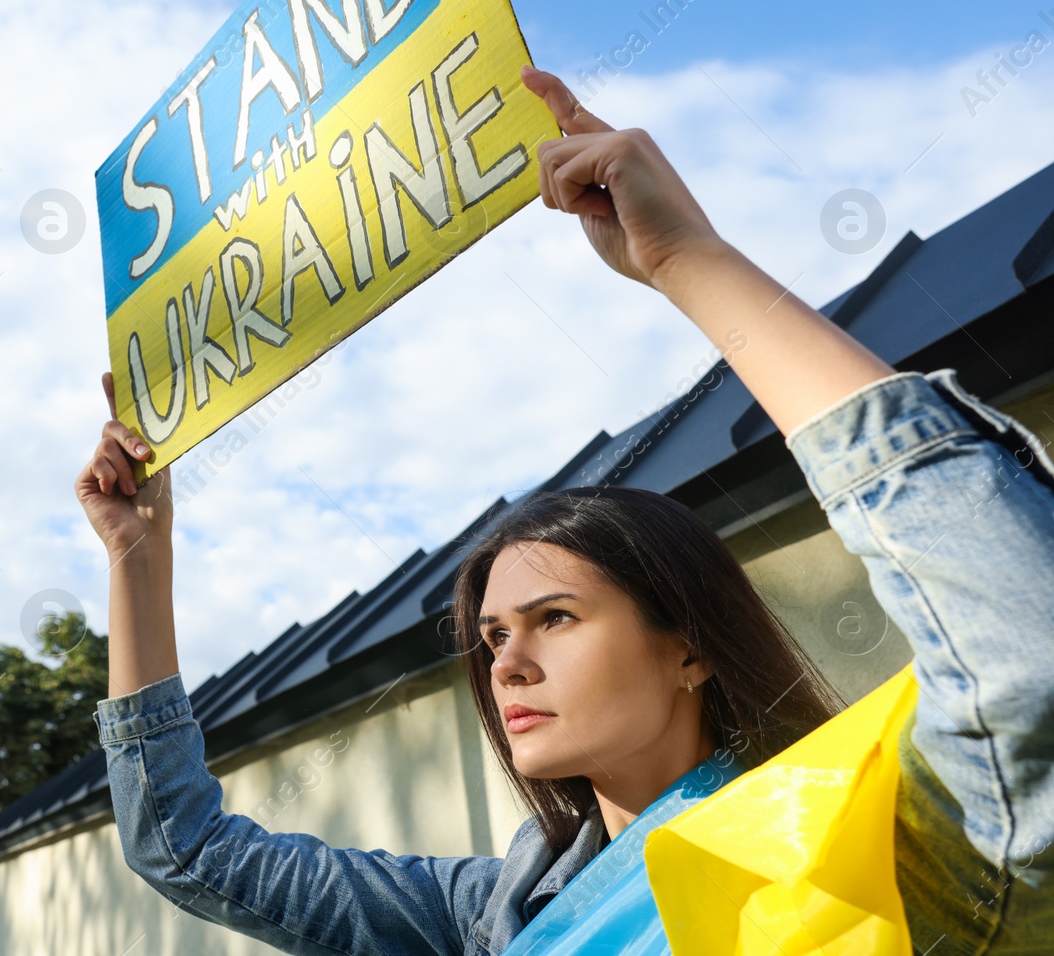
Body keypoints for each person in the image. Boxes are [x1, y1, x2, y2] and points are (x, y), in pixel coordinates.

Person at [76, 65, 1054, 954]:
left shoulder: (847, 834)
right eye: (492, 633)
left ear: (690, 647)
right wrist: (139, 561)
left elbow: (1030, 665)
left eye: (555, 617)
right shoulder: (494, 912)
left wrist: (689, 263)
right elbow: (184, 847)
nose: (506, 661)